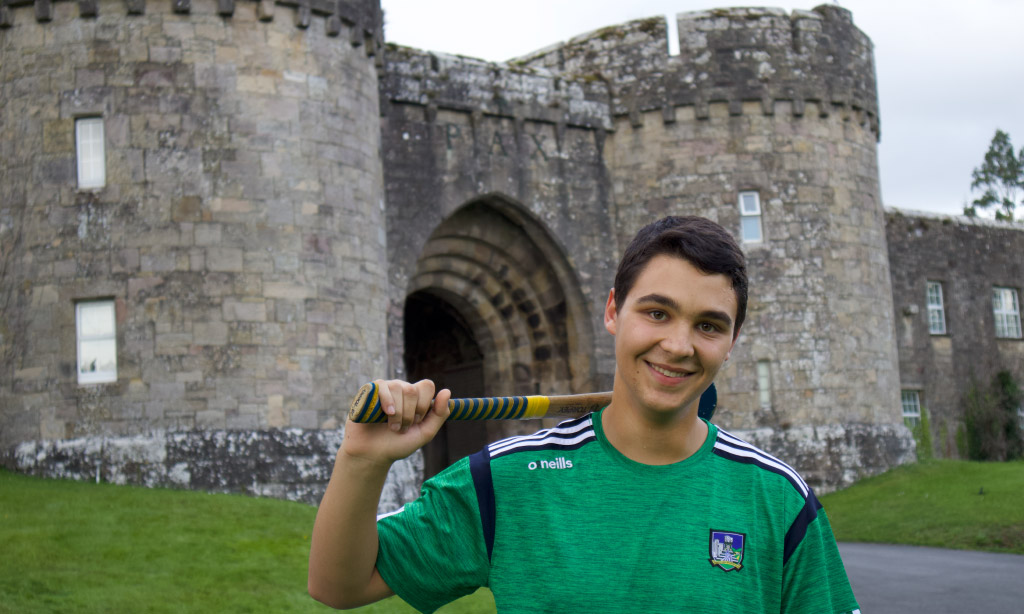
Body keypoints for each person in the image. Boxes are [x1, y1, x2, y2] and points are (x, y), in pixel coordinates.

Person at [309, 216, 860, 613]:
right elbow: (340, 584)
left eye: (708, 325)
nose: (678, 344)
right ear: (614, 312)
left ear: (732, 341)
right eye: (657, 312)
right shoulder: (509, 480)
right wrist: (361, 458)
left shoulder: (777, 498)